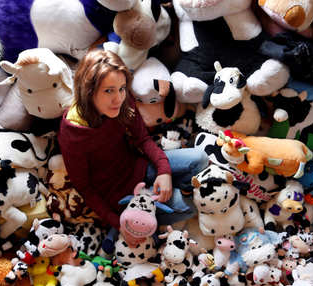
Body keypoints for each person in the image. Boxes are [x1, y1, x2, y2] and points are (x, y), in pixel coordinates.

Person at [58, 50, 208, 250]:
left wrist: (163, 171)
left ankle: (163, 199)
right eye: (108, 91)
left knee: (199, 158)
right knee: (189, 205)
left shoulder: (123, 101)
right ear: (88, 90)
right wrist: (118, 222)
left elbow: (143, 139)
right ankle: (142, 224)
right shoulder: (73, 132)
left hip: (140, 168)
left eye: (121, 88)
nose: (118, 98)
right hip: (122, 198)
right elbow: (85, 188)